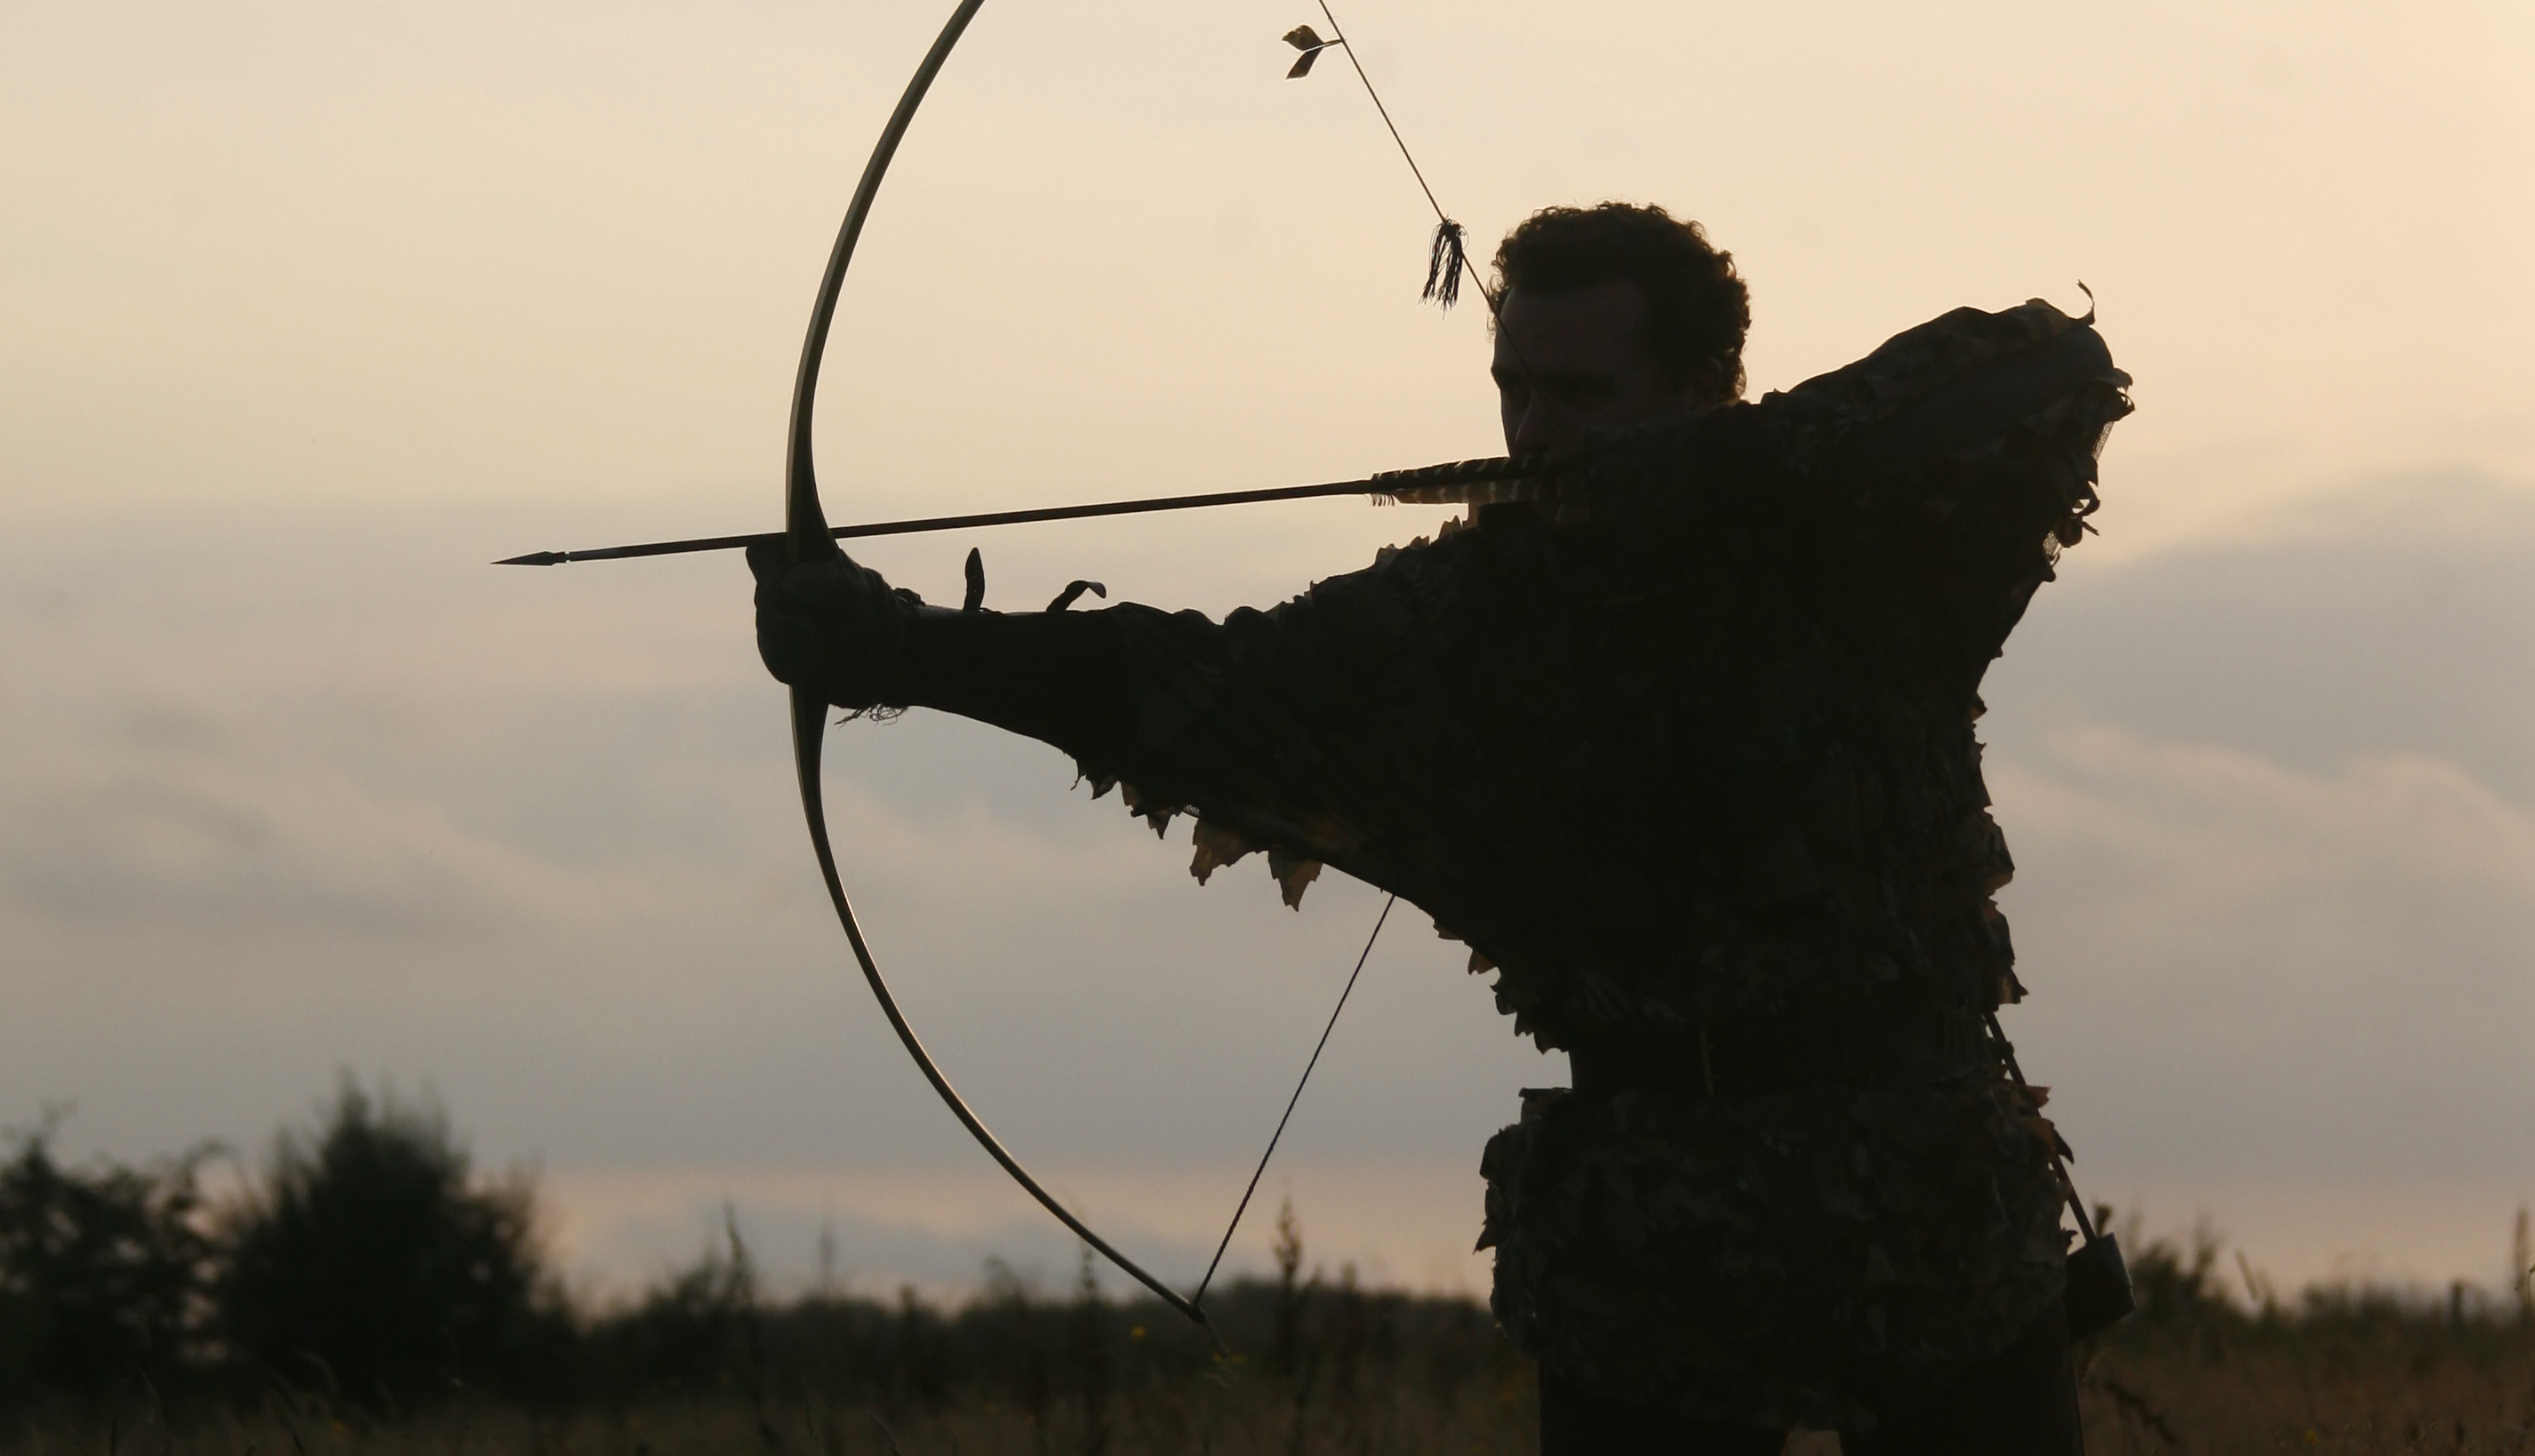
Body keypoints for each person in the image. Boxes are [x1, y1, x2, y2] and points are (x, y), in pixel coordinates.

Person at [754, 203, 2129, 1452]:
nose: (1531, 432)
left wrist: (1728, 471)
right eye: (1513, 388)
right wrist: (895, 646)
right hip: (1650, 1235)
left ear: (1702, 393)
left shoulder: (1861, 551)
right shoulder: (1465, 621)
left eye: (1581, 395)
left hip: (1926, 1197)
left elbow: (2044, 371)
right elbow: (1177, 685)